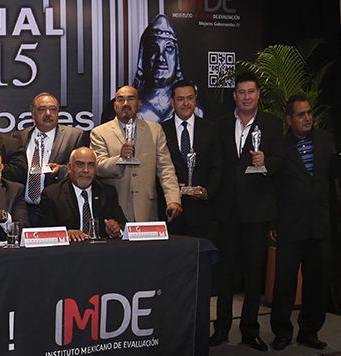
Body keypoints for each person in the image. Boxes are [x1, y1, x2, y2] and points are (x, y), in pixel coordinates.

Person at [211, 72, 285, 352]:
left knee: (254, 275)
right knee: (226, 273)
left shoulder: (272, 123)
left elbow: (281, 160)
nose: (246, 97)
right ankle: (221, 329)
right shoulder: (220, 125)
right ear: (234, 96)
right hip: (228, 211)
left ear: (257, 95)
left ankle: (250, 331)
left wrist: (266, 161)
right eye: (241, 92)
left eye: (251, 92)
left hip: (257, 211)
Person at [269, 95, 337, 351]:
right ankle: (281, 332)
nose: (307, 118)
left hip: (319, 225)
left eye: (308, 113)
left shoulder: (324, 139)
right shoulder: (281, 146)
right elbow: (273, 187)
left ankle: (309, 331)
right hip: (290, 224)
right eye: (301, 115)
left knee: (317, 284)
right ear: (289, 119)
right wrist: (273, 221)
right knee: (285, 283)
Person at [90, 85, 182, 223]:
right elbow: (98, 168)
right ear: (115, 105)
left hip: (147, 209)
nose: (125, 104)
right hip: (114, 210)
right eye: (121, 100)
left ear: (139, 104)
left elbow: (165, 169)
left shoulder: (155, 130)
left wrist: (173, 199)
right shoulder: (99, 133)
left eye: (130, 99)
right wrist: (120, 159)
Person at [12, 93, 89, 226]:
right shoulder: (18, 137)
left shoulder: (75, 136)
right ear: (33, 114)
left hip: (57, 210)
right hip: (24, 210)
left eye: (53, 109)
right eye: (42, 109)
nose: (48, 113)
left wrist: (60, 171)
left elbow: (83, 169)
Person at [159, 80, 221, 238]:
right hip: (170, 213)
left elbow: (217, 166)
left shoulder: (211, 128)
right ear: (172, 102)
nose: (186, 103)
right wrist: (172, 188)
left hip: (201, 213)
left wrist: (207, 191)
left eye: (190, 98)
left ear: (195, 100)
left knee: (199, 259)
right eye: (180, 99)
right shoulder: (160, 130)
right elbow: (155, 169)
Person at [38, 147, 126, 242]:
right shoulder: (52, 194)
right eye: (80, 165)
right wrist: (65, 234)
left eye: (91, 165)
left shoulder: (107, 192)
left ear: (96, 168)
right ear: (69, 167)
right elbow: (44, 233)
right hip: (68, 252)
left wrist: (116, 231)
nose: (86, 170)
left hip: (101, 251)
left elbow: (123, 226)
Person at [132, 14, 183, 122]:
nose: (161, 58)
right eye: (153, 49)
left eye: (169, 49)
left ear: (177, 57)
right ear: (142, 57)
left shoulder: (193, 110)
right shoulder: (125, 108)